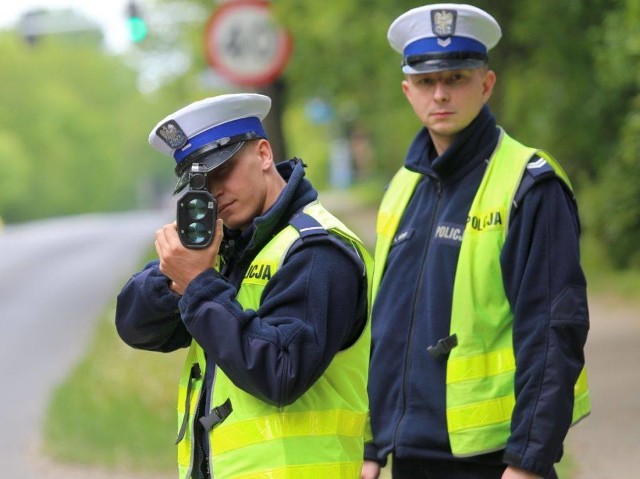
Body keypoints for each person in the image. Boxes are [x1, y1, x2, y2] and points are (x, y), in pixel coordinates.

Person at [362, 4, 590, 479]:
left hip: (497, 461)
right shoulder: (401, 189)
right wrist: (372, 442)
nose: (440, 93)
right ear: (408, 91)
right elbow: (383, 329)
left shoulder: (529, 184)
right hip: (411, 457)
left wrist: (529, 459)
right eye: (426, 82)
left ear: (486, 85)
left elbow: (553, 330)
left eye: (457, 78)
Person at [115, 93, 373, 479]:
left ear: (264, 154)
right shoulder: (230, 247)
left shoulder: (317, 250)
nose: (214, 191)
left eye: (223, 170)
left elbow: (280, 373)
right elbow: (134, 326)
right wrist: (173, 276)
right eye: (199, 183)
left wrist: (198, 283)